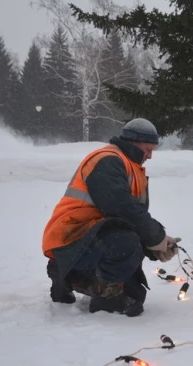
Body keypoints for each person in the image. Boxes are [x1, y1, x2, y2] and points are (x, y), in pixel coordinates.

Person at [42, 118, 181, 317]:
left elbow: (134, 219)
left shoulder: (130, 165)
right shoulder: (107, 160)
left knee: (136, 294)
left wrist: (156, 247)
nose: (150, 156)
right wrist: (155, 237)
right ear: (133, 142)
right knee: (126, 243)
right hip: (70, 236)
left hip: (94, 237)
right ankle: (105, 301)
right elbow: (121, 208)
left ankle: (67, 277)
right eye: (148, 149)